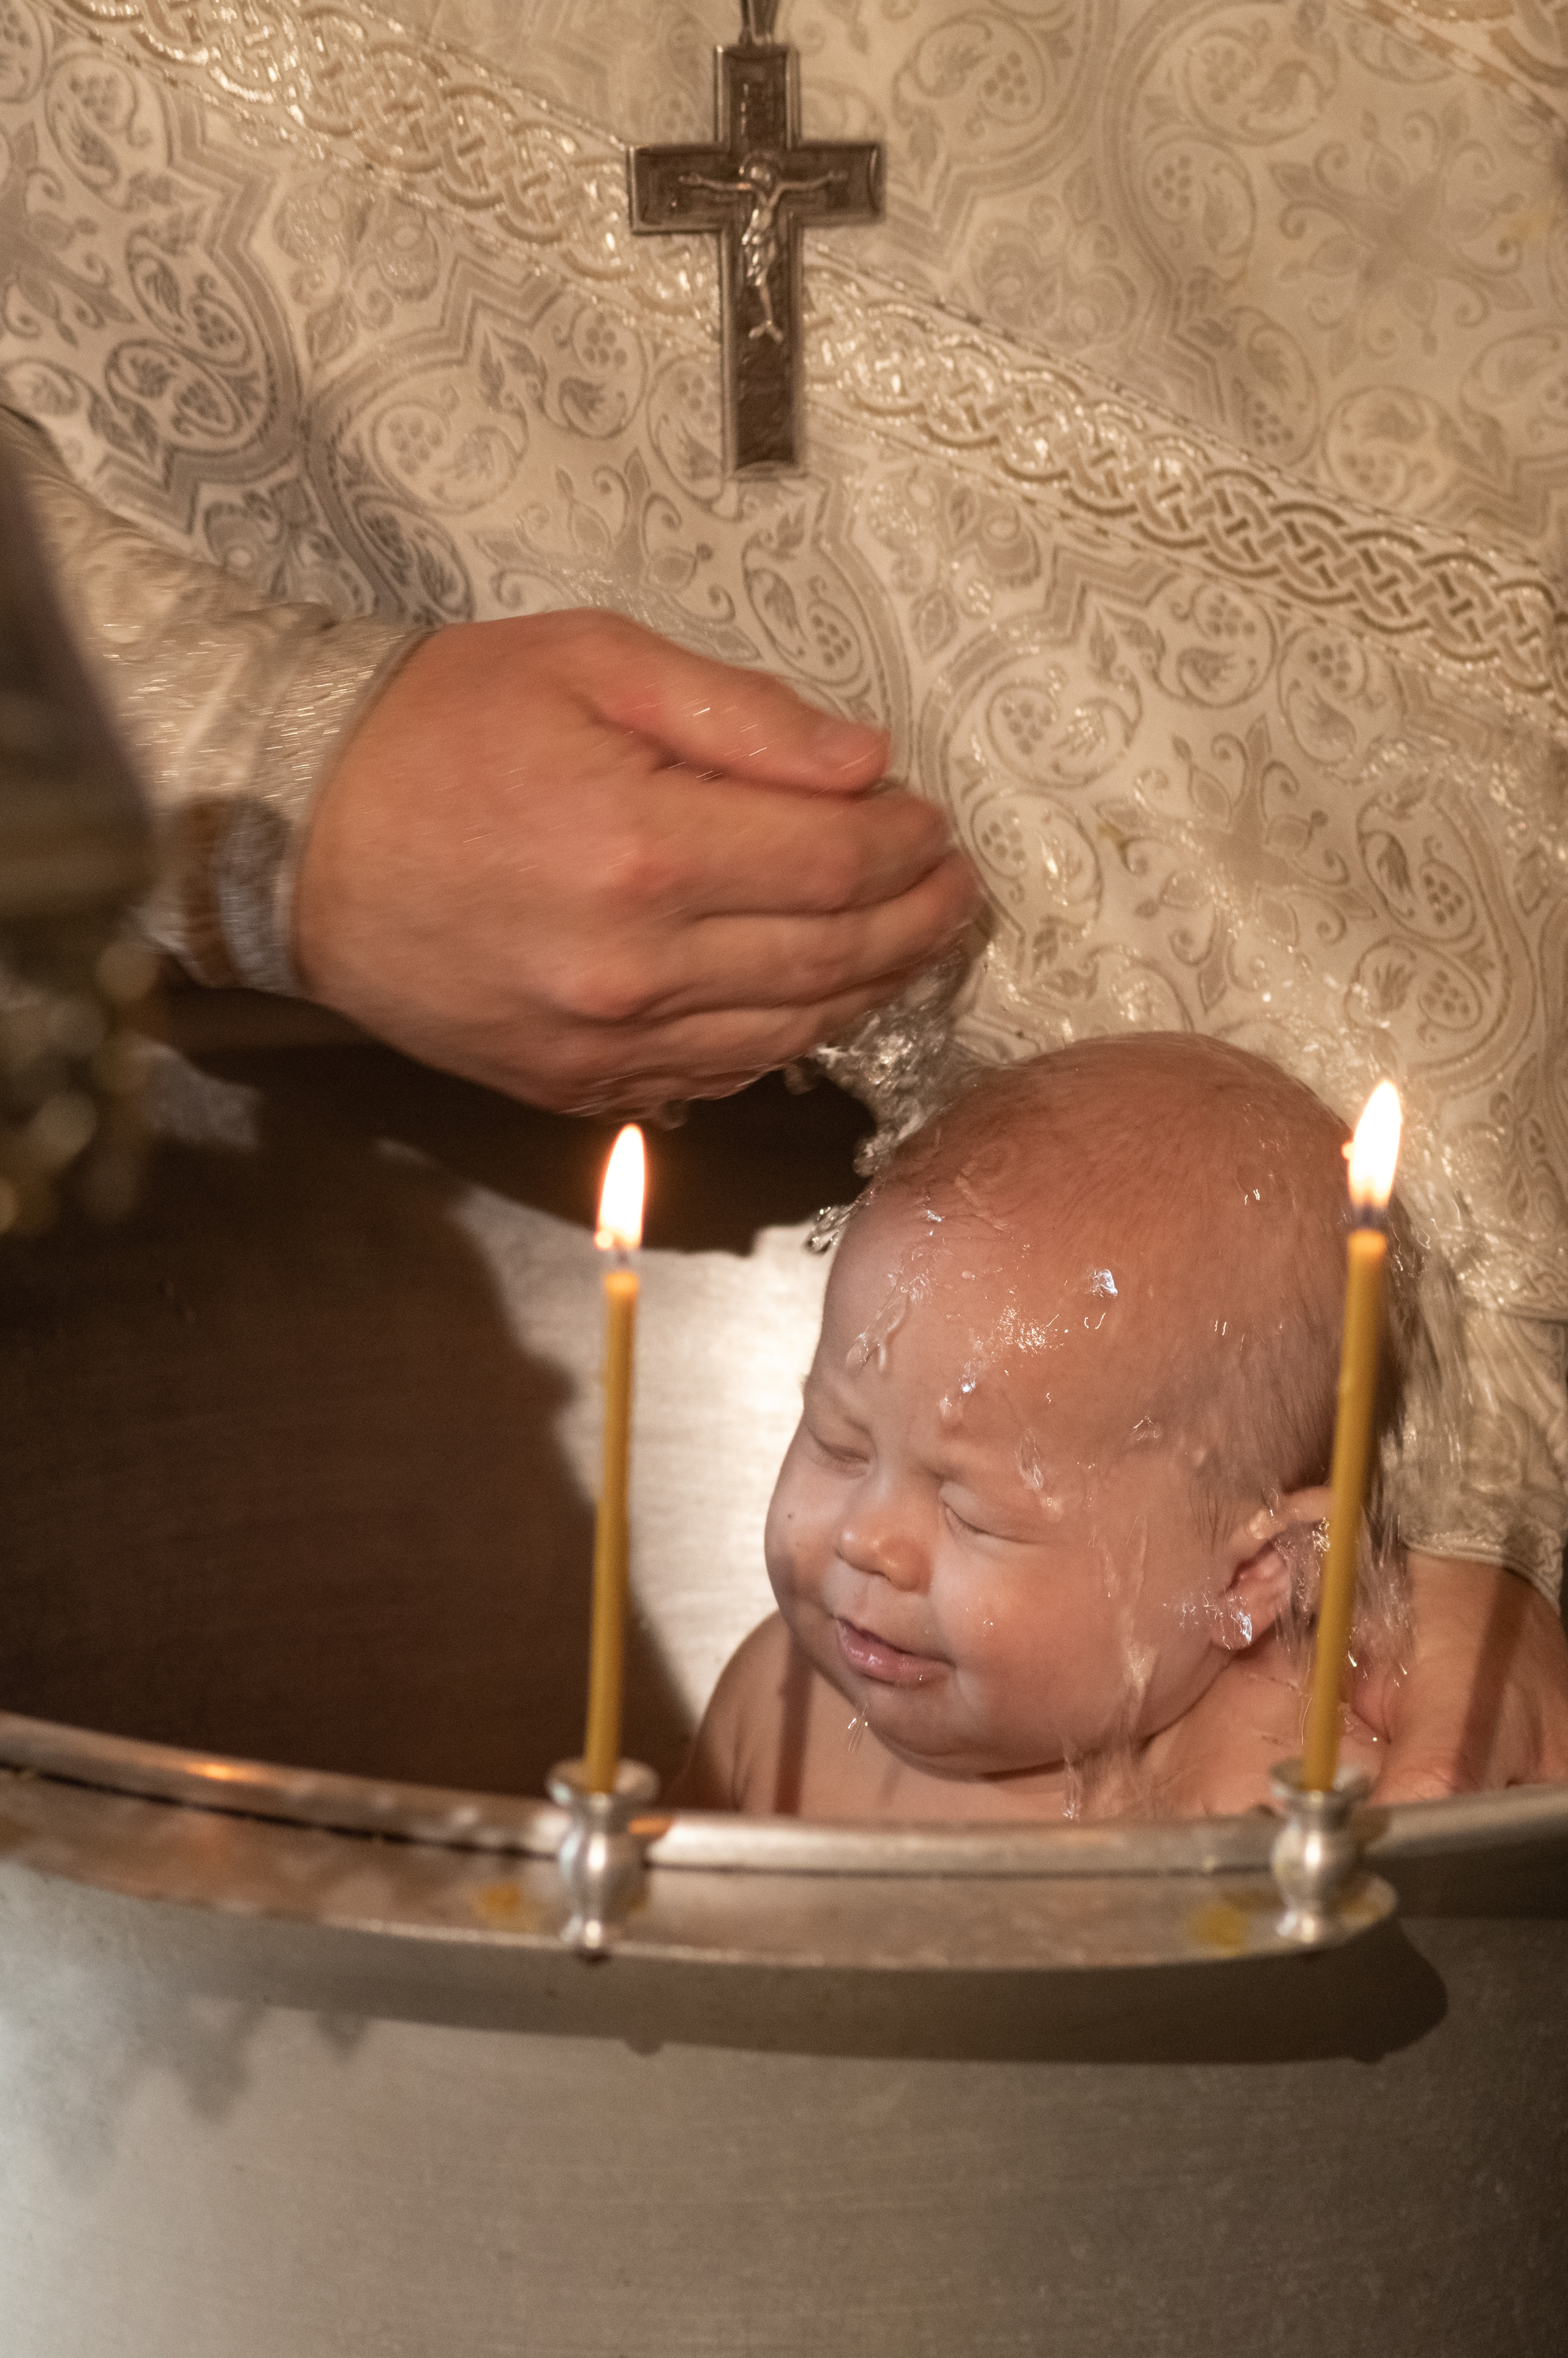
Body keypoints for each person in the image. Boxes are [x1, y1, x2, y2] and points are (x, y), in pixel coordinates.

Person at [2, 0, 1566, 1797]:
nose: (867, 1546)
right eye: (835, 1448)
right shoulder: (793, 1705)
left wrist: (1463, 1438)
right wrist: (244, 761)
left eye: (943, 1500)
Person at [676, 1036, 1550, 1818]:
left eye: (971, 1513)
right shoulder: (775, 1699)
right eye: (838, 1442)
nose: (865, 1539)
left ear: (1251, 1576)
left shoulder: (1260, 1790)